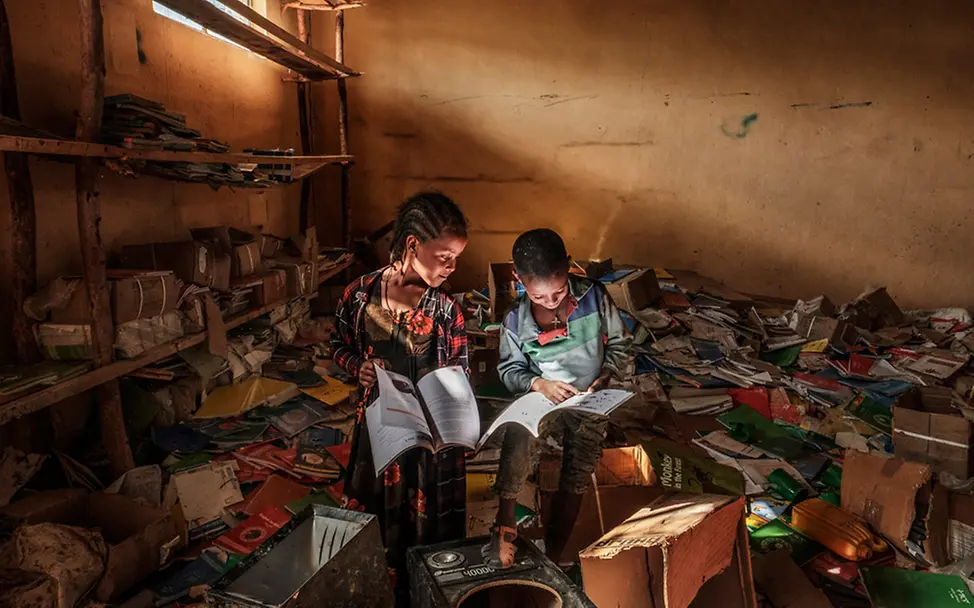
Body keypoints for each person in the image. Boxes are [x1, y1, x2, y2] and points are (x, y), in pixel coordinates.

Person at [331, 192, 470, 592]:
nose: (452, 266)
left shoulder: (447, 311)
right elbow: (337, 346)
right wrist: (357, 367)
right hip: (379, 438)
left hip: (431, 448)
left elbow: (458, 377)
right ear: (412, 244)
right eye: (444, 255)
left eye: (456, 257)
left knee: (429, 539)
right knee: (375, 533)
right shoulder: (359, 296)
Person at [487, 228, 632, 567]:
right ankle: (505, 519)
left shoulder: (595, 298)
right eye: (540, 297)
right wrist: (538, 383)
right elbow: (509, 371)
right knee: (519, 436)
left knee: (581, 462)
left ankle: (555, 551)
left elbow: (622, 345)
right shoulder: (515, 320)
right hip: (545, 396)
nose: (552, 303)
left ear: (569, 268)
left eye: (558, 292)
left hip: (589, 397)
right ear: (518, 279)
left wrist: (607, 374)